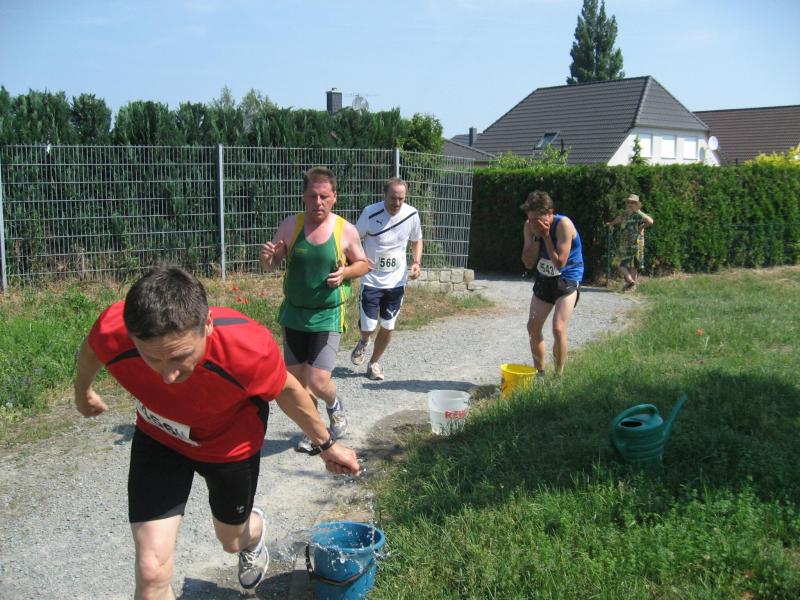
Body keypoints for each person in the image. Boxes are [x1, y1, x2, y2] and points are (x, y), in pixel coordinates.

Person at [73, 265, 361, 599]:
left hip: (230, 446)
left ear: (208, 324)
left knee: (231, 540)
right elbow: (93, 348)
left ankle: (253, 534)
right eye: (152, 359)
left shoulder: (247, 348)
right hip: (160, 438)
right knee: (151, 572)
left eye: (180, 357)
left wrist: (327, 446)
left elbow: (289, 391)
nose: (168, 376)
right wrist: (83, 391)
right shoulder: (115, 327)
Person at [259, 166, 368, 452]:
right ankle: (314, 430)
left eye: (324, 196)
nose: (318, 202)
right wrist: (267, 258)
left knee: (318, 381)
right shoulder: (290, 226)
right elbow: (272, 263)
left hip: (327, 314)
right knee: (297, 382)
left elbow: (363, 264)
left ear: (334, 197)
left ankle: (334, 404)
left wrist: (346, 273)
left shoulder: (345, 230)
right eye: (312, 196)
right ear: (304, 197)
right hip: (295, 313)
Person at [349, 177, 423, 381]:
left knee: (388, 325)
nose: (397, 203)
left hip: (397, 280)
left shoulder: (412, 214)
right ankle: (364, 340)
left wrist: (416, 262)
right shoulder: (370, 212)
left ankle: (374, 363)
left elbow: (417, 240)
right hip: (371, 279)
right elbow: (354, 238)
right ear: (385, 195)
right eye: (393, 198)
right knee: (368, 326)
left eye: (401, 198)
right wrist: (359, 260)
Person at [520, 190, 584, 378]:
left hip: (568, 276)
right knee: (533, 327)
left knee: (558, 328)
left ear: (549, 213)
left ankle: (558, 376)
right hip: (546, 277)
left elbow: (560, 263)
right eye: (530, 219)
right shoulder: (529, 227)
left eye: (537, 219)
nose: (533, 223)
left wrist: (547, 236)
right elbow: (528, 262)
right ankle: (540, 374)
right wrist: (536, 237)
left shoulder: (564, 225)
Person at [605, 193, 654, 291]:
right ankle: (631, 282)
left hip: (636, 242)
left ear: (637, 204)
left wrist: (642, 227)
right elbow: (619, 219)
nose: (630, 204)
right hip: (625, 242)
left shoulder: (639, 214)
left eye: (633, 202)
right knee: (618, 262)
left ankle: (631, 284)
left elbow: (650, 221)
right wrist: (611, 224)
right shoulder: (625, 214)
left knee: (633, 264)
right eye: (628, 202)